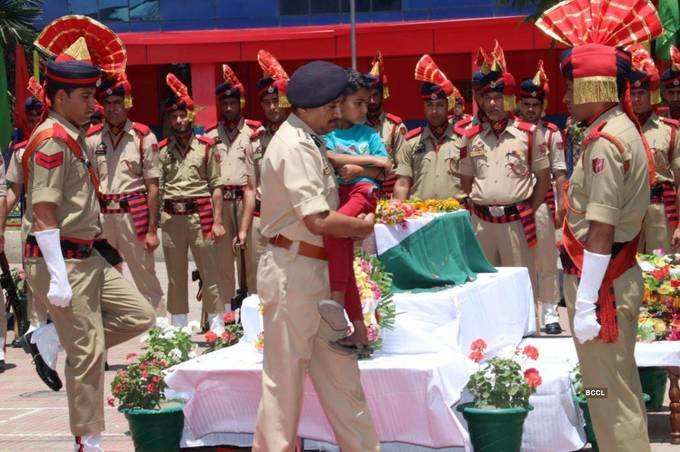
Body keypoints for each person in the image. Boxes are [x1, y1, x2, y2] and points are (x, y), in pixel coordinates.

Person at [536, 0, 662, 449]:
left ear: (595, 86)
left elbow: (602, 228)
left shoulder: (604, 143)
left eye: (572, 88)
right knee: (606, 386)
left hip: (602, 285)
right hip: (609, 276)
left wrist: (585, 302)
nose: (566, 98)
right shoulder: (620, 128)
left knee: (610, 394)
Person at [24, 18, 155, 450]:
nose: (92, 104)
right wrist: (58, 279)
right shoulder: (50, 142)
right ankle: (88, 441)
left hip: (88, 256)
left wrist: (106, 250)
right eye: (84, 96)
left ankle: (50, 337)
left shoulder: (75, 136)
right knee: (87, 355)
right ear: (59, 96)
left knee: (139, 315)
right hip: (62, 260)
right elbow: (43, 213)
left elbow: (80, 208)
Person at [253, 60, 379, 451]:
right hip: (294, 273)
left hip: (321, 276)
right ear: (307, 108)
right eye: (331, 108)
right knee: (284, 385)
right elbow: (318, 220)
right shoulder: (292, 145)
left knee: (343, 381)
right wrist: (362, 226)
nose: (336, 114)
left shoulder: (310, 140)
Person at [459, 41, 550, 286]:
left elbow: (543, 178)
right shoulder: (471, 137)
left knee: (521, 286)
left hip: (516, 223)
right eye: (487, 98)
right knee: (484, 285)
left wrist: (528, 207)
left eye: (498, 98)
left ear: (509, 100)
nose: (492, 104)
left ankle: (526, 326)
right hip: (481, 223)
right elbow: (466, 181)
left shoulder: (529, 134)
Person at [321, 69, 392, 350]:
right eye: (358, 103)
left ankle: (337, 302)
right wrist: (367, 163)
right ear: (340, 102)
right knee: (345, 257)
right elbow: (329, 156)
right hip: (339, 195)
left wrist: (357, 169)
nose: (365, 108)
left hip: (363, 194)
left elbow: (385, 169)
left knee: (333, 231)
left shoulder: (369, 133)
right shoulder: (328, 131)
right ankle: (360, 332)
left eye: (367, 102)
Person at [85, 72, 165, 319]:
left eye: (117, 103)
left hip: (134, 214)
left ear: (127, 103)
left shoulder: (143, 137)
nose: (112, 109)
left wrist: (152, 229)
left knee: (144, 275)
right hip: (104, 216)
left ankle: (159, 333)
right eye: (107, 104)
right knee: (106, 277)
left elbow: (153, 187)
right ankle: (110, 330)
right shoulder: (92, 138)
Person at [2, 78, 63, 391]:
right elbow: (13, 193)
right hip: (32, 225)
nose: (34, 118)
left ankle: (58, 333)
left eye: (39, 112)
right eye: (30, 115)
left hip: (66, 225)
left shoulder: (65, 142)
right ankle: (41, 338)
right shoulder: (21, 151)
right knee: (37, 284)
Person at [160, 73, 226, 333]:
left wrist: (218, 221)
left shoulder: (206, 147)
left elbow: (216, 186)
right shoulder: (162, 150)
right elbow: (159, 186)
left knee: (209, 271)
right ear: (169, 119)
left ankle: (217, 323)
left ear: (191, 116)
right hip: (171, 217)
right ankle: (177, 326)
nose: (179, 120)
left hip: (201, 215)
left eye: (183, 115)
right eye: (174, 116)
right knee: (175, 275)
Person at [517, 60, 566, 334]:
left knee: (547, 259)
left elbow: (559, 173)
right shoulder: (511, 132)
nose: (531, 109)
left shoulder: (552, 133)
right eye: (526, 104)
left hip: (542, 205)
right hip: (515, 207)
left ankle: (549, 312)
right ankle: (525, 314)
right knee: (521, 262)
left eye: (536, 104)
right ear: (519, 105)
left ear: (543, 106)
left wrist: (561, 207)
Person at [204, 64, 257, 305]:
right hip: (221, 203)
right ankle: (226, 310)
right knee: (223, 259)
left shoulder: (255, 131)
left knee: (250, 259)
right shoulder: (210, 134)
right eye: (224, 104)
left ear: (240, 104)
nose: (228, 108)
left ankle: (252, 307)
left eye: (232, 103)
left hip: (248, 201)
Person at [245, 50, 291, 294]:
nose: (272, 107)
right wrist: (244, 228)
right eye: (266, 102)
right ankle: (257, 328)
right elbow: (251, 188)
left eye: (276, 101)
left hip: (290, 217)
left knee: (290, 274)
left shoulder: (298, 136)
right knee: (258, 275)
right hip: (261, 219)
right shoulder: (255, 141)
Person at [628, 44, 680, 253]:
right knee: (631, 275)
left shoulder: (671, 131)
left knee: (662, 273)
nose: (637, 98)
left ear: (653, 94)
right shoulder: (621, 131)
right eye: (633, 93)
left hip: (660, 211)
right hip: (630, 212)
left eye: (642, 93)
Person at [394, 54, 466, 202]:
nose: (434, 111)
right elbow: (402, 183)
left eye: (439, 105)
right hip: (421, 216)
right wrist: (397, 209)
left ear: (448, 106)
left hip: (456, 215)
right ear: (423, 107)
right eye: (429, 105)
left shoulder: (464, 139)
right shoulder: (410, 141)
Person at [365, 51, 407, 198]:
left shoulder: (395, 126)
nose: (371, 101)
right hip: (361, 192)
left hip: (388, 195)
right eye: (367, 96)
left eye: (375, 95)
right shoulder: (354, 125)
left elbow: (403, 167)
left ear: (383, 94)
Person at [660, 45, 680, 121]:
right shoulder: (656, 119)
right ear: (663, 94)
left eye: (679, 92)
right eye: (671, 93)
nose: (676, 98)